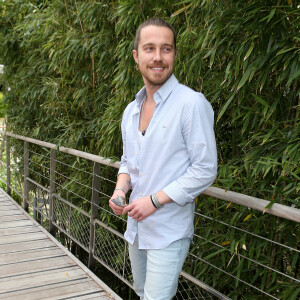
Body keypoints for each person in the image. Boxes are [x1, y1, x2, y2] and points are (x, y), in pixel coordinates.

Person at [109, 17, 217, 300]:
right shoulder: (131, 110)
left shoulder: (191, 104)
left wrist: (154, 201)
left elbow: (205, 170)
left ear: (175, 55)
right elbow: (127, 161)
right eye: (149, 48)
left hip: (168, 231)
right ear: (136, 56)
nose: (158, 57)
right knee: (143, 292)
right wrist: (121, 190)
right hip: (136, 227)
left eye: (166, 49)